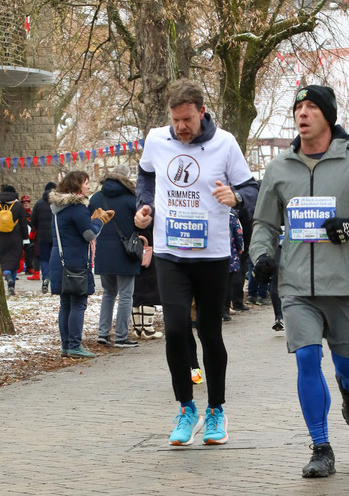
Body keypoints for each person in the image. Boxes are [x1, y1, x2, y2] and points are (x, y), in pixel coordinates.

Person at [249, 84, 349, 478]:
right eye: (298, 107)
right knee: (305, 357)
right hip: (297, 285)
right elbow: (264, 222)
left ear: (327, 116)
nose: (303, 113)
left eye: (312, 107)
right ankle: (320, 446)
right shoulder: (280, 167)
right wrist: (261, 256)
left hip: (348, 284)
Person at [135, 79, 258, 446]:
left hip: (212, 256)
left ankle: (216, 409)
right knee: (175, 330)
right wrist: (143, 206)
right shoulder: (157, 139)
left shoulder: (225, 144)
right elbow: (145, 175)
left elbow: (251, 189)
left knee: (209, 332)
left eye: (187, 119)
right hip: (170, 253)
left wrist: (234, 196)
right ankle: (187, 407)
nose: (181, 127)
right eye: (175, 120)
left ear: (201, 112)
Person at [49, 170, 113, 358]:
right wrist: (99, 222)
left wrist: (90, 220)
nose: (88, 186)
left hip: (59, 260)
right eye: (86, 182)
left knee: (66, 304)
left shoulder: (57, 208)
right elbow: (89, 235)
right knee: (78, 303)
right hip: (75, 261)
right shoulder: (77, 208)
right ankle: (75, 345)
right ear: (77, 185)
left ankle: (66, 345)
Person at [89, 164, 142, 349]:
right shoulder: (131, 199)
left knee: (108, 294)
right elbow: (141, 225)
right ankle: (121, 337)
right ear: (127, 178)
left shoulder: (96, 198)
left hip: (103, 252)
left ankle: (103, 334)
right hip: (126, 253)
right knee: (126, 295)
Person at [0, 184, 29, 295]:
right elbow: (24, 224)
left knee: (3, 260)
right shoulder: (18, 206)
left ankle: (7, 275)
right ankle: (12, 285)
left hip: (1, 237)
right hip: (15, 237)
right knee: (14, 260)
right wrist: (25, 238)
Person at [29, 183, 54, 293]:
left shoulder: (39, 204)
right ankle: (55, 280)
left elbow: (33, 219)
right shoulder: (57, 203)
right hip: (56, 236)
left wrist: (39, 227)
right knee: (55, 258)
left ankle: (45, 278)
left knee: (44, 258)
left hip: (42, 236)